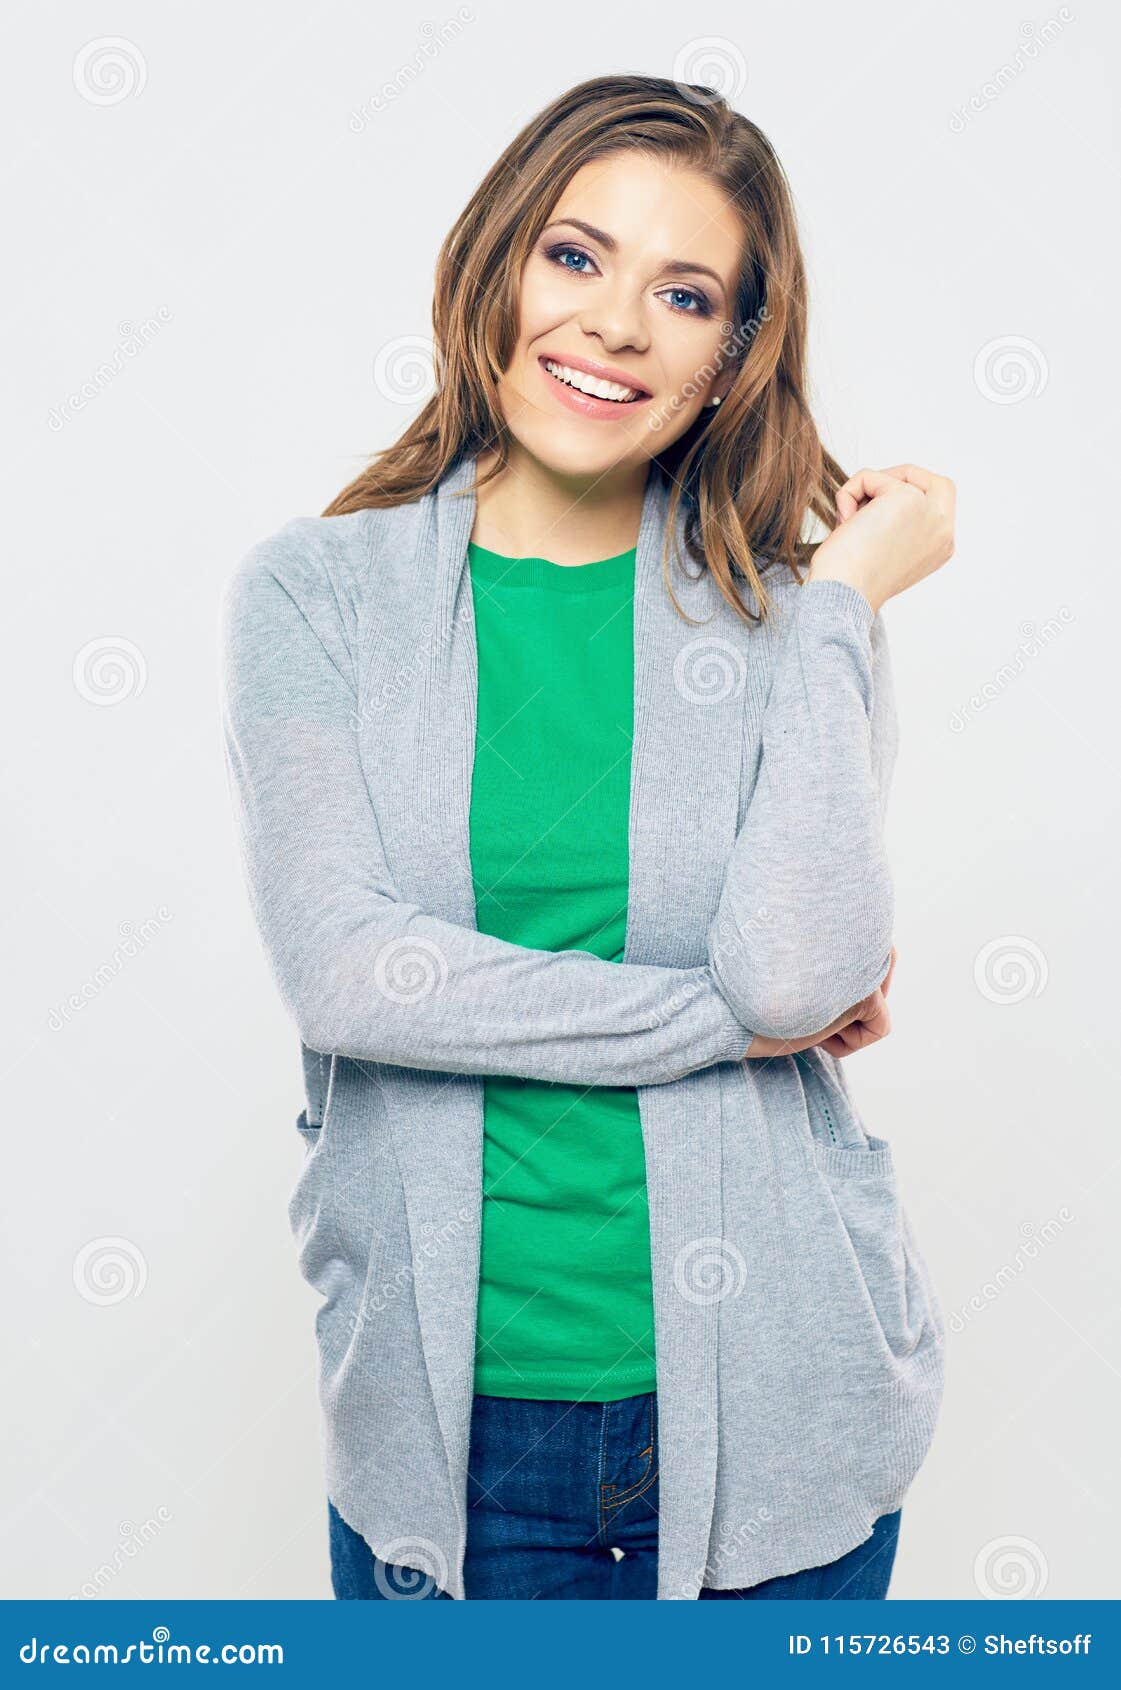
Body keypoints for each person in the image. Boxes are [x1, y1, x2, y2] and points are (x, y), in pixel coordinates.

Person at [219, 73, 953, 1600]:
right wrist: (727, 1019)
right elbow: (353, 976)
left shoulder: (784, 620)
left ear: (730, 355)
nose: (616, 323)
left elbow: (799, 967)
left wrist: (839, 605)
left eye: (683, 293)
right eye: (575, 256)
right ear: (493, 265)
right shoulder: (313, 599)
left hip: (780, 1408)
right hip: (453, 1436)